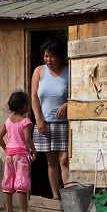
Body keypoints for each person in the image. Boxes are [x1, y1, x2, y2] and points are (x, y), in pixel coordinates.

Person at [31, 38, 69, 200]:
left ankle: (68, 196)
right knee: (51, 162)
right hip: (45, 124)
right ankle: (56, 197)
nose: (48, 60)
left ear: (60, 56)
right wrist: (38, 119)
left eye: (51, 56)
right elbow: (34, 97)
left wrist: (68, 104)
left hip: (65, 124)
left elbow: (80, 93)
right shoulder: (39, 71)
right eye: (46, 56)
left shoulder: (69, 71)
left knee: (65, 160)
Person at [0, 91, 38, 212]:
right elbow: (27, 138)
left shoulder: (8, 121)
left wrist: (6, 148)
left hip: (10, 154)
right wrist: (34, 151)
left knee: (8, 181)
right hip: (21, 155)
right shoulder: (26, 121)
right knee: (21, 182)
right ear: (24, 106)